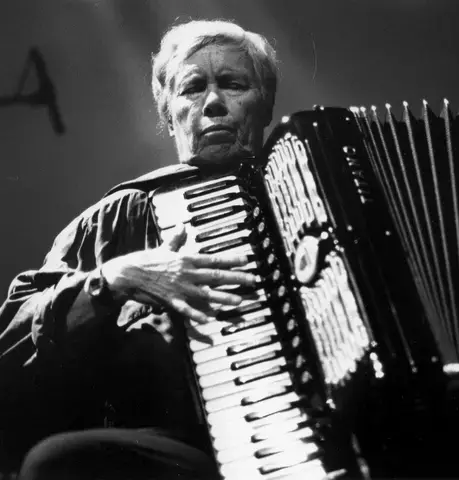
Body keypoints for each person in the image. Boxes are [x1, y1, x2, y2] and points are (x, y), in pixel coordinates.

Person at [0, 19, 277, 479]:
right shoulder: (117, 218)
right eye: (192, 89)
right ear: (169, 114)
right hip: (182, 453)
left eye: (232, 84)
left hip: (324, 429)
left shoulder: (315, 200)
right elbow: (8, 344)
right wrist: (114, 279)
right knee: (58, 463)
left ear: (264, 104)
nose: (212, 103)